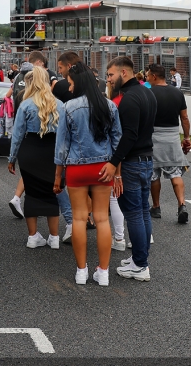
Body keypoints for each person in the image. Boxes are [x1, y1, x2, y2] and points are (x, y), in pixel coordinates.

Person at [54, 61, 123, 286]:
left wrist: (58, 176)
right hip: (104, 168)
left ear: (79, 83)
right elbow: (117, 141)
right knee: (103, 219)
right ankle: (103, 272)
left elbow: (62, 146)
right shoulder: (110, 106)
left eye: (71, 84)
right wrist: (116, 169)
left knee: (79, 218)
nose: (70, 88)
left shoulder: (68, 107)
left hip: (76, 169)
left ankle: (81, 271)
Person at [101, 56, 156, 282]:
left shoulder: (129, 98)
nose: (109, 80)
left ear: (124, 73)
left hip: (133, 162)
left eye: (111, 75)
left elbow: (128, 135)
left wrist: (114, 163)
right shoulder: (147, 93)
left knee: (134, 213)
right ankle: (138, 259)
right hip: (147, 159)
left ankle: (140, 265)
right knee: (142, 211)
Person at [9, 67, 66, 249]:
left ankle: (33, 237)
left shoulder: (25, 104)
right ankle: (54, 237)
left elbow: (17, 135)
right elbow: (66, 135)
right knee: (52, 194)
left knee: (32, 193)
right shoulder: (60, 104)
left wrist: (12, 158)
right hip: (53, 152)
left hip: (30, 151)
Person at [146, 64, 191, 224]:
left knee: (153, 173)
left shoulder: (148, 93)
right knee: (175, 172)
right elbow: (184, 118)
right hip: (172, 136)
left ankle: (156, 207)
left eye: (148, 75)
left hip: (153, 136)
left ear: (154, 76)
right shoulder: (178, 93)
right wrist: (186, 138)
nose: (146, 78)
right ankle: (182, 205)